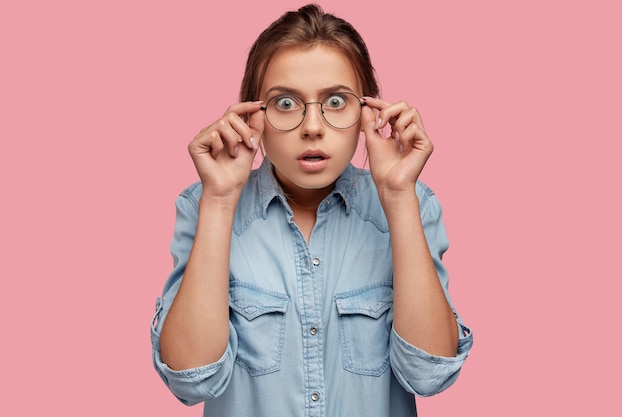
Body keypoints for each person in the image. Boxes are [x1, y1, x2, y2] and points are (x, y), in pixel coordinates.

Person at [151, 4, 472, 416]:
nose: (313, 126)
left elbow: (429, 375)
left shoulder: (413, 203)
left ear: (368, 113)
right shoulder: (204, 204)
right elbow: (190, 378)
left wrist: (397, 195)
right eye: (285, 103)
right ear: (253, 115)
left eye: (336, 101)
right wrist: (218, 200)